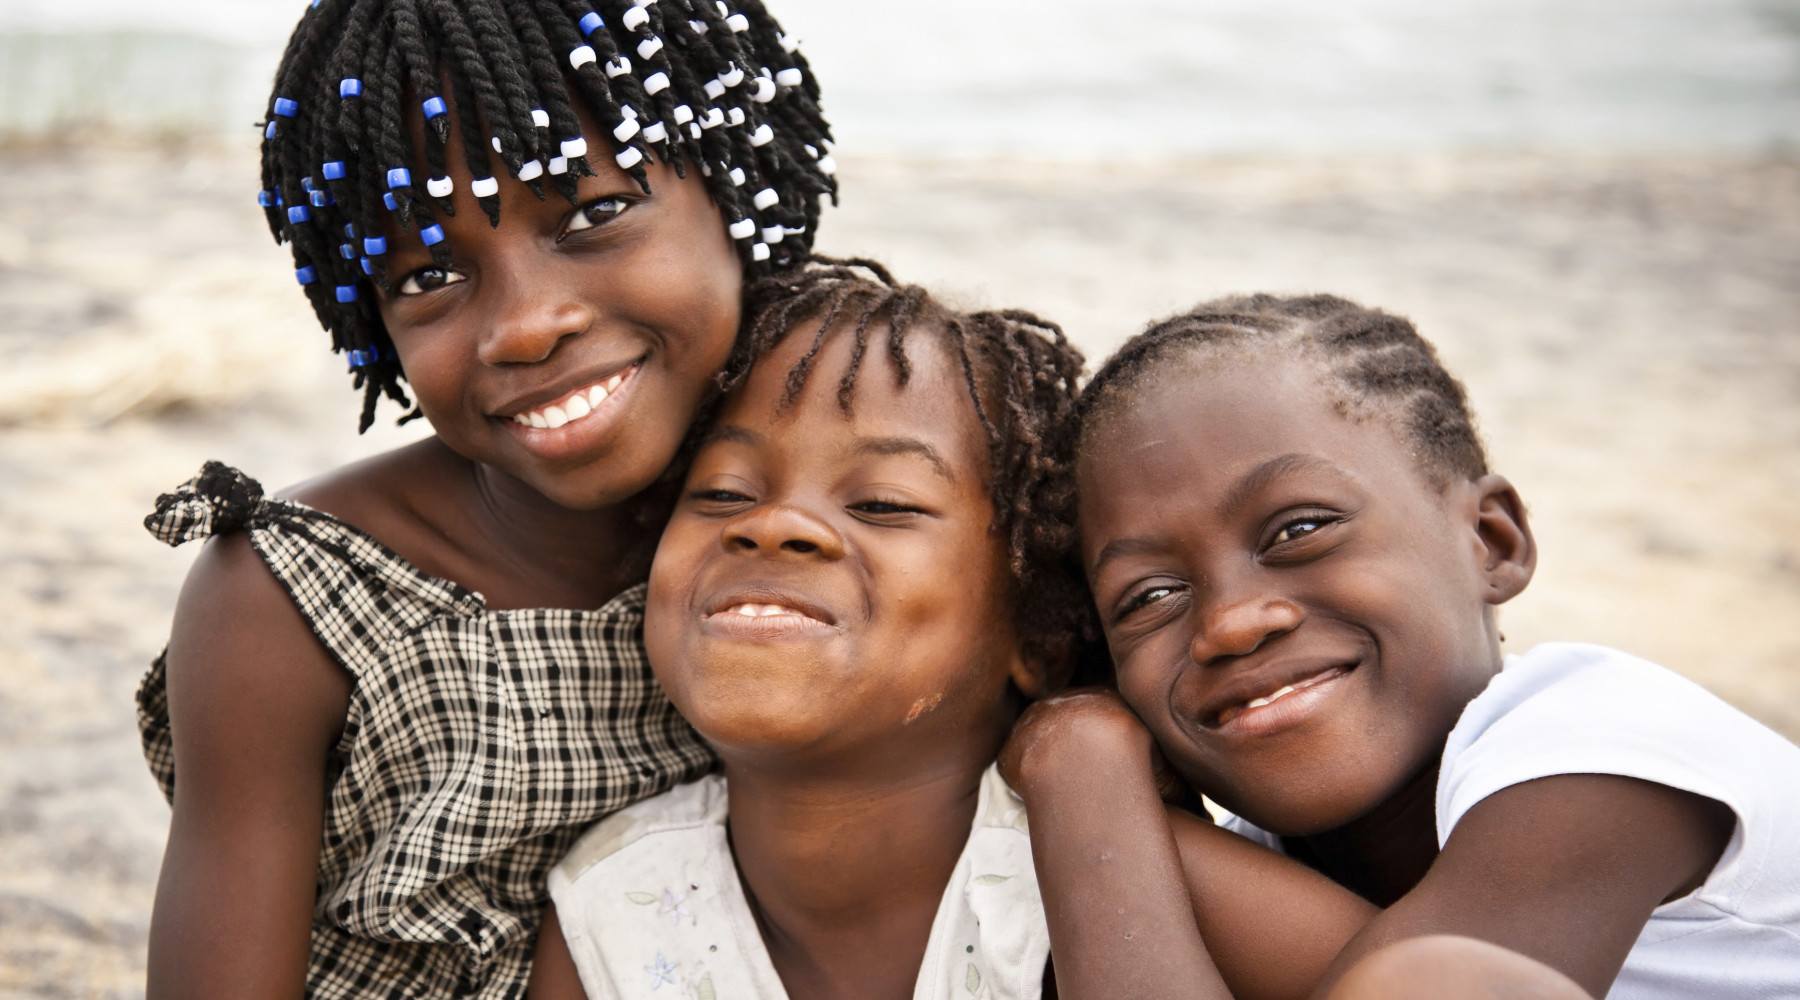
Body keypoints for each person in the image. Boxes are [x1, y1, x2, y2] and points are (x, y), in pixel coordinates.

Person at [133, 2, 836, 998]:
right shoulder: (290, 604)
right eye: (429, 273)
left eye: (592, 213)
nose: (523, 326)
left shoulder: (868, 523)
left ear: (736, 188)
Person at [524, 265, 1376, 1000]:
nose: (775, 524)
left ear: (1035, 633)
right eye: (722, 494)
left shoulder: (1115, 860)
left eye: (882, 504)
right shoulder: (613, 907)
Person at [1005, 294, 1800, 999]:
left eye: (1300, 529)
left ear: (1491, 542)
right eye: (1150, 597)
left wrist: (1080, 770)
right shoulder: (1251, 858)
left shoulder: (1602, 747)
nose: (1231, 624)